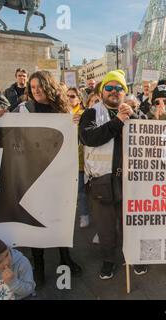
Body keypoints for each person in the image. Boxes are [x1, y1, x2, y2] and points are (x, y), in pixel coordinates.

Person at [10, 71, 82, 287]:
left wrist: (75, 123)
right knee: (35, 220)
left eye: (39, 86)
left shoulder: (63, 110)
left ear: (49, 86)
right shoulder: (23, 109)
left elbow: (73, 141)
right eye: (32, 87)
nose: (36, 90)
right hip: (33, 175)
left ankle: (65, 257)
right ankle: (38, 264)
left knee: (61, 217)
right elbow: (7, 129)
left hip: (58, 175)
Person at [79, 70, 147, 279]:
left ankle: (132, 257)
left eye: (119, 88)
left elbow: (147, 137)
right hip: (101, 181)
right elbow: (89, 137)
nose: (114, 92)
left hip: (129, 180)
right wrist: (117, 121)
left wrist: (133, 116)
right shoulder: (91, 113)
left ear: (125, 93)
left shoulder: (134, 113)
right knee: (106, 226)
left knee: (130, 223)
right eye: (109, 87)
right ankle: (109, 260)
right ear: (102, 91)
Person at [68, 87, 91, 229]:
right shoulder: (61, 114)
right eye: (67, 96)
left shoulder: (83, 114)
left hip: (80, 160)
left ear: (79, 99)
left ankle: (84, 214)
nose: (69, 98)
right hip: (66, 161)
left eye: (72, 96)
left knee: (80, 191)